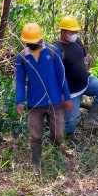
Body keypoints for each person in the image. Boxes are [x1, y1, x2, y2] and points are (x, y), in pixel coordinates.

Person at [15, 23, 73, 174]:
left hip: (55, 102)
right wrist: (19, 101)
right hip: (35, 104)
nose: (34, 45)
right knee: (35, 135)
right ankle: (36, 164)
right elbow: (20, 81)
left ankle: (56, 154)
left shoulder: (53, 52)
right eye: (30, 43)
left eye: (35, 42)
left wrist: (66, 97)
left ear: (41, 39)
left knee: (59, 133)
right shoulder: (22, 57)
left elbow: (61, 75)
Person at [54, 15, 98, 135]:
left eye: (76, 31)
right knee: (71, 122)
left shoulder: (77, 41)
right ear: (64, 32)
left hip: (86, 81)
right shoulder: (56, 49)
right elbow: (54, 75)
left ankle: (91, 120)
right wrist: (63, 96)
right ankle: (68, 139)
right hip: (71, 92)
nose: (75, 33)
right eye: (72, 31)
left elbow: (81, 59)